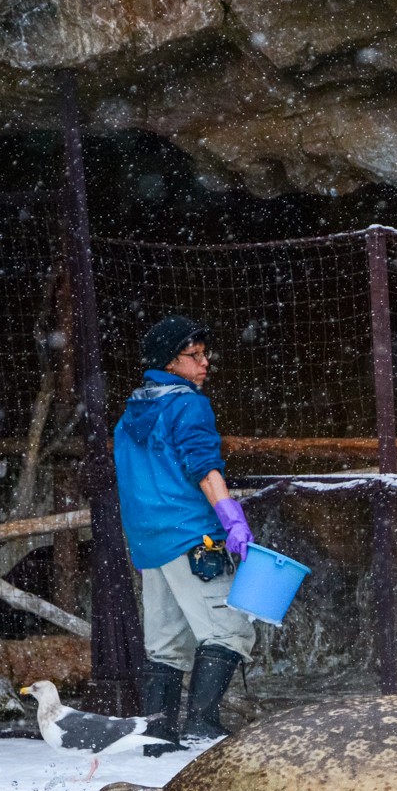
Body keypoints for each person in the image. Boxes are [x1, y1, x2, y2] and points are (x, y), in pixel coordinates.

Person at [114, 315, 257, 755]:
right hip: (192, 536)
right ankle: (201, 725)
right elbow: (202, 464)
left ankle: (157, 739)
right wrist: (230, 516)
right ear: (168, 362)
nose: (204, 362)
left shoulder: (132, 411)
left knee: (166, 643)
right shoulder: (188, 404)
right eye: (193, 356)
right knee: (231, 630)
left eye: (204, 353)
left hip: (149, 541)